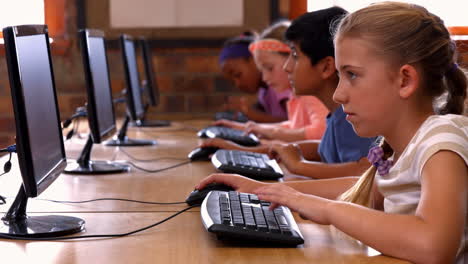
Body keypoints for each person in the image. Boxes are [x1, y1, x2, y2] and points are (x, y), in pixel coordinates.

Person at [197, 3, 468, 264]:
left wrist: (328, 210)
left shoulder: (441, 143)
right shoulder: (398, 146)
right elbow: (364, 188)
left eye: (352, 75)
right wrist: (272, 191)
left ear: (405, 80)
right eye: (340, 76)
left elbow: (433, 247)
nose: (338, 94)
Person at [205, 7, 375, 180]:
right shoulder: (336, 113)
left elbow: (363, 173)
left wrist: (298, 167)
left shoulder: (352, 116)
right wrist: (269, 151)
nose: (287, 67)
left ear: (326, 67)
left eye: (294, 55)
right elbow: (324, 149)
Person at [219, 32, 289, 123]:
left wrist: (250, 113)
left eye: (238, 75)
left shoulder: (281, 85)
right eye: (232, 82)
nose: (238, 84)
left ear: (254, 60)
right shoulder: (263, 91)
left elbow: (294, 124)